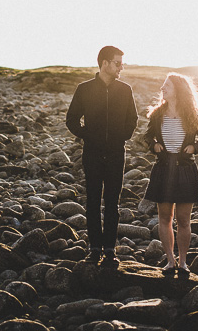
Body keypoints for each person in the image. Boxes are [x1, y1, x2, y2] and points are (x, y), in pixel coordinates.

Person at [65, 45, 139, 265]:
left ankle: (110, 249)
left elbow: (132, 119)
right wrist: (87, 135)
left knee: (113, 203)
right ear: (105, 63)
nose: (121, 68)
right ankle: (95, 248)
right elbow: (71, 119)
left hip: (117, 152)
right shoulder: (84, 89)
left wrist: (122, 136)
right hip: (93, 153)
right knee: (94, 201)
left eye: (122, 64)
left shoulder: (125, 90)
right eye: (118, 63)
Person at [142, 72, 198, 276]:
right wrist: (153, 145)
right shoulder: (157, 114)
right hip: (163, 168)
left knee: (183, 220)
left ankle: (183, 262)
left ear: (178, 90)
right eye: (163, 86)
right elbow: (147, 136)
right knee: (164, 217)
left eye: (167, 86)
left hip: (185, 169)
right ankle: (170, 261)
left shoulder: (192, 114)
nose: (163, 89)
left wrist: (194, 148)